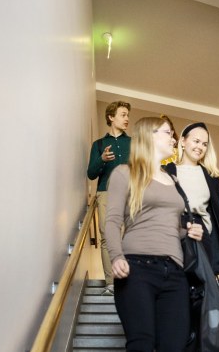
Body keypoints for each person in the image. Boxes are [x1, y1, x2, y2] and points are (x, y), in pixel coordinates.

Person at [104, 117, 204, 352]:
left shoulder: (173, 180)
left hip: (175, 272)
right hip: (137, 269)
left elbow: (171, 224)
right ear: (149, 136)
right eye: (168, 133)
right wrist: (116, 256)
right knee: (142, 343)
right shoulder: (124, 173)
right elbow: (112, 221)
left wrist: (189, 230)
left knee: (175, 345)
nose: (174, 139)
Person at [164, 122, 219, 285]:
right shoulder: (166, 171)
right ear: (183, 141)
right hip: (174, 236)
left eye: (204, 144)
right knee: (176, 288)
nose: (200, 147)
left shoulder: (211, 177)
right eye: (196, 141)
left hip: (203, 239)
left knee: (203, 291)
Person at [86, 101, 131, 296]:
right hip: (105, 192)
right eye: (123, 114)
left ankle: (130, 281)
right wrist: (102, 160)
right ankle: (111, 283)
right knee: (107, 237)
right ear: (111, 117)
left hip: (130, 193)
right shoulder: (99, 145)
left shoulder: (133, 143)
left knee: (131, 236)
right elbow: (91, 174)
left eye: (127, 115)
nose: (127, 118)